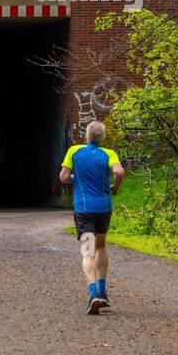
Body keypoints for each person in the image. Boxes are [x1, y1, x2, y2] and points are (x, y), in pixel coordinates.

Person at [59, 120, 125, 314]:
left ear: (86, 136)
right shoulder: (109, 154)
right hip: (104, 208)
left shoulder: (74, 151)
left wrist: (75, 179)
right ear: (102, 137)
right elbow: (119, 171)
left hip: (84, 208)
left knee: (88, 251)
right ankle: (103, 293)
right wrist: (115, 187)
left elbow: (63, 177)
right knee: (101, 246)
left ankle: (94, 293)